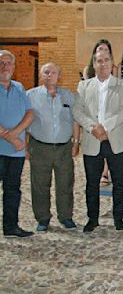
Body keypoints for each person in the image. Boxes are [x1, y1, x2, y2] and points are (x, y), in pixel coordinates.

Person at [73, 50, 123, 233]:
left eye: (106, 60)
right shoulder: (84, 86)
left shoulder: (121, 85)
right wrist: (93, 127)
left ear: (112, 63)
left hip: (115, 139)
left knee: (119, 182)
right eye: (99, 61)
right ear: (94, 63)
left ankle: (118, 218)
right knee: (91, 183)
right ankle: (92, 218)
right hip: (92, 139)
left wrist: (105, 126)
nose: (103, 64)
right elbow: (77, 111)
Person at [26, 63, 80, 231]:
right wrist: (24, 146)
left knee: (65, 183)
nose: (49, 75)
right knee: (40, 185)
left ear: (59, 76)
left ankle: (66, 216)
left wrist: (76, 142)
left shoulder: (68, 96)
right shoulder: (30, 96)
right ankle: (42, 218)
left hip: (64, 147)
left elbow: (75, 120)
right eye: (46, 72)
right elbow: (24, 121)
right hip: (39, 147)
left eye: (53, 72)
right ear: (41, 76)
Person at [0, 50, 34, 238]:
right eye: (1, 63)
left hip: (16, 152)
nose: (4, 66)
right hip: (4, 148)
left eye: (8, 63)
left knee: (13, 190)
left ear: (13, 67)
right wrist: (10, 136)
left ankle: (11, 227)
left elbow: (30, 113)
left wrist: (14, 135)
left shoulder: (20, 87)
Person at [82, 39, 118, 187]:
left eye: (106, 50)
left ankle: (105, 172)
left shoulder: (114, 69)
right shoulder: (87, 72)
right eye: (99, 49)